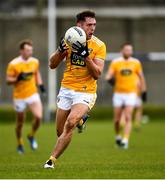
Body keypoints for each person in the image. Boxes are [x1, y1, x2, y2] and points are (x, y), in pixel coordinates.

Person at [44, 10, 106, 169]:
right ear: (79, 25)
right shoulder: (69, 40)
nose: (92, 28)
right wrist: (59, 50)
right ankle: (81, 120)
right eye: (89, 25)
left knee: (69, 124)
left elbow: (97, 73)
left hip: (86, 91)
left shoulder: (99, 45)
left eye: (94, 25)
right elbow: (52, 65)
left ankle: (51, 160)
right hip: (66, 89)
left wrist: (86, 57)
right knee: (60, 132)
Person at [6, 39, 46, 154]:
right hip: (19, 97)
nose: (30, 52)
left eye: (31, 50)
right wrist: (17, 78)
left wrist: (41, 85)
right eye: (28, 50)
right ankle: (19, 142)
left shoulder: (35, 61)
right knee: (20, 123)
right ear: (21, 51)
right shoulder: (13, 64)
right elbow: (8, 80)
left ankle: (31, 135)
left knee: (38, 117)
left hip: (32, 93)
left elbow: (36, 73)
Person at [105, 43, 147, 149]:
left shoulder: (136, 62)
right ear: (122, 51)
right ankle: (118, 136)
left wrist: (144, 91)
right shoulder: (116, 62)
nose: (128, 52)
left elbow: (141, 77)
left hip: (131, 93)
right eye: (126, 50)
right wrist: (111, 80)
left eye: (130, 50)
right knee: (117, 120)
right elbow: (108, 75)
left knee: (128, 117)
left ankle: (125, 140)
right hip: (118, 94)